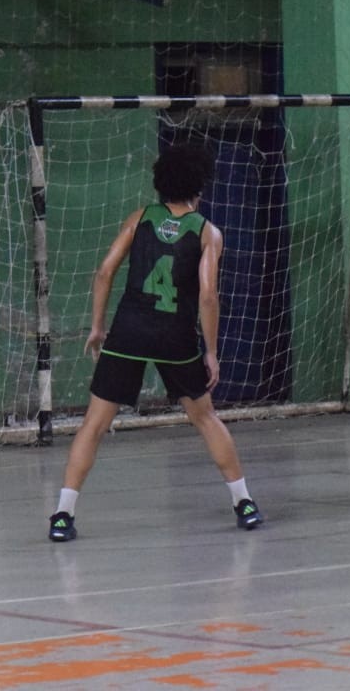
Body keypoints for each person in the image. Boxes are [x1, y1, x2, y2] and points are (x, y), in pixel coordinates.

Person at [48, 142, 261, 542]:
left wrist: (97, 326)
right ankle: (244, 503)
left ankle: (62, 514)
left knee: (93, 425)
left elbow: (104, 272)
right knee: (205, 417)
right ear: (200, 185)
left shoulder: (140, 218)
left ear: (161, 183)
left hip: (129, 330)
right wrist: (211, 352)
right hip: (175, 336)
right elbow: (208, 295)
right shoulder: (207, 232)